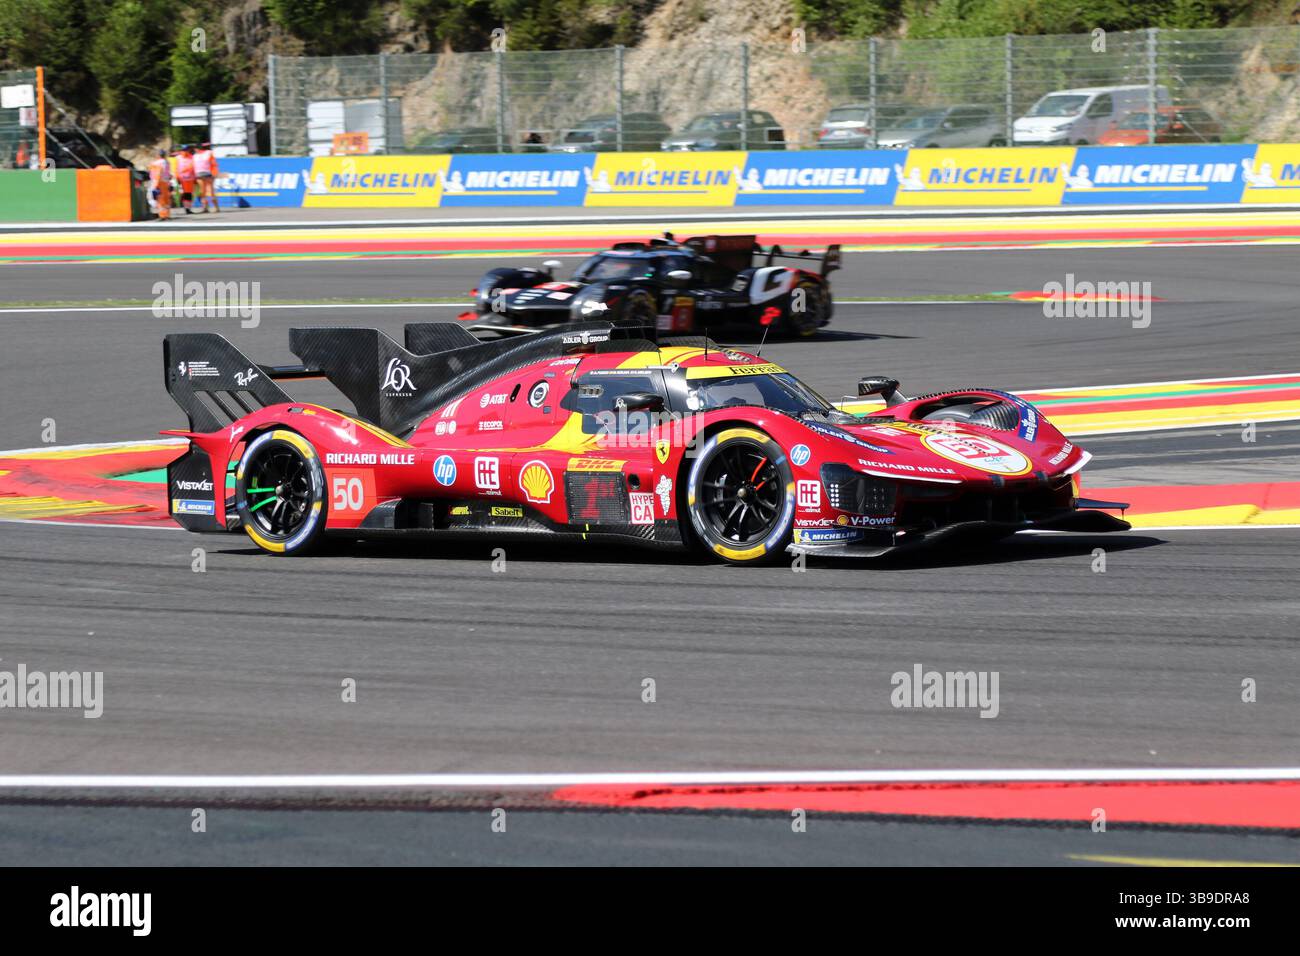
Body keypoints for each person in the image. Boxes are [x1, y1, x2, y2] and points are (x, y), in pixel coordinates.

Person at [192, 141, 219, 212]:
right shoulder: (195, 156)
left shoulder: (208, 153)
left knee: (210, 191)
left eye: (195, 148)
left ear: (197, 148)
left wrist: (214, 173)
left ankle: (216, 208)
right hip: (199, 175)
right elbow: (193, 166)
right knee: (202, 192)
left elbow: (214, 164)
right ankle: (205, 208)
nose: (195, 150)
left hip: (208, 174)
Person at [148, 148, 173, 221]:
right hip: (166, 182)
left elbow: (157, 174)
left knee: (160, 199)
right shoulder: (167, 162)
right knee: (166, 199)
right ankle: (167, 214)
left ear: (158, 155)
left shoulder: (156, 163)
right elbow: (168, 174)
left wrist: (156, 184)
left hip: (159, 182)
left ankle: (162, 215)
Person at [175, 144, 196, 214]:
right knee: (183, 193)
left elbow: (194, 168)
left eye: (186, 150)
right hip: (181, 179)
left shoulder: (192, 157)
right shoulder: (178, 158)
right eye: (183, 150)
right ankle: (185, 207)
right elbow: (175, 168)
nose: (185, 151)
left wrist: (195, 177)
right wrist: (177, 177)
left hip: (190, 179)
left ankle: (188, 208)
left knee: (189, 194)